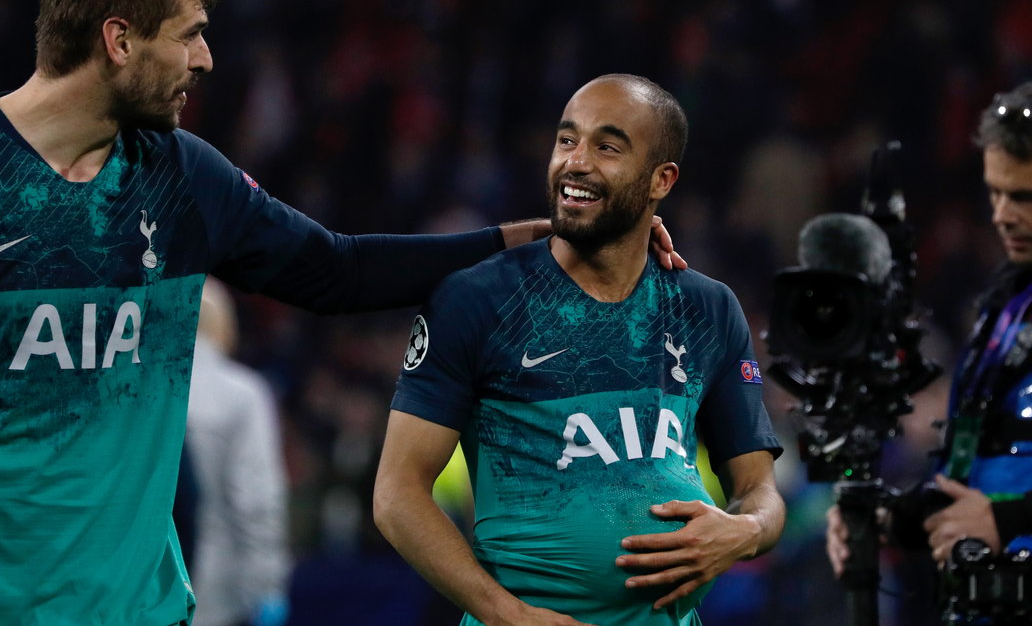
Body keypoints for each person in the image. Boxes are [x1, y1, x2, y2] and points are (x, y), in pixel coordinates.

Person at [0, 0, 688, 624]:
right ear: (119, 39)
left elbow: (338, 270)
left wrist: (539, 238)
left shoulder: (179, 178)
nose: (206, 58)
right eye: (190, 33)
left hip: (141, 613)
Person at [373, 74, 786, 626]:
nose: (576, 161)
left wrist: (746, 531)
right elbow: (397, 496)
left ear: (661, 179)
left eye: (607, 147)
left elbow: (760, 491)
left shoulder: (707, 308)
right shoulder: (478, 299)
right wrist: (505, 614)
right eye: (567, 140)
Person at [826, 82, 1032, 579]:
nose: (1002, 215)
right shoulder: (1005, 305)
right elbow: (968, 474)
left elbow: (993, 514)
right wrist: (891, 520)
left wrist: (1007, 521)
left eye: (1023, 197)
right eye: (994, 192)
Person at [185, 279, 289, 626]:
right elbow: (256, 501)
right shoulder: (242, 395)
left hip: (136, 589)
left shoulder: (127, 391)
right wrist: (268, 587)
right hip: (214, 594)